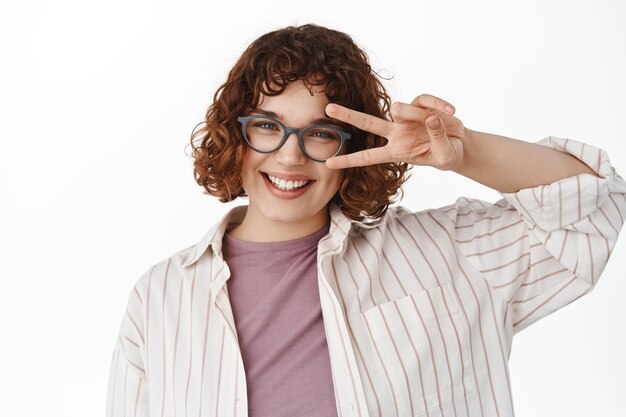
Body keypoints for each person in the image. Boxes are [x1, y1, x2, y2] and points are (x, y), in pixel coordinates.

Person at [106, 23, 626, 417]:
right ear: (234, 136)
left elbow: (596, 205)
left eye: (321, 133)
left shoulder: (448, 252)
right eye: (267, 126)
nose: (290, 158)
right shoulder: (161, 297)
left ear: (356, 146)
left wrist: (465, 152)